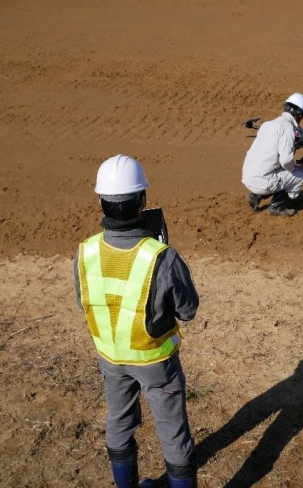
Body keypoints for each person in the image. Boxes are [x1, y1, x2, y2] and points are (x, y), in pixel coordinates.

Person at [73, 154, 200, 488]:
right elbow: (187, 310)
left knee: (119, 421)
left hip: (111, 358)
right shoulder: (161, 257)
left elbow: (84, 302)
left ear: (101, 202)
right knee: (173, 434)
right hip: (156, 361)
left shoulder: (84, 251)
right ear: (142, 201)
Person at [242, 92, 303, 216]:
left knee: (274, 167)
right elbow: (285, 161)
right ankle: (277, 205)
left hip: (248, 176)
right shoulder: (287, 128)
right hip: (261, 181)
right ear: (299, 114)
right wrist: (294, 167)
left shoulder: (266, 124)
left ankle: (255, 196)